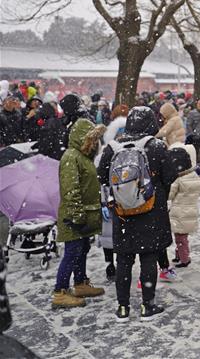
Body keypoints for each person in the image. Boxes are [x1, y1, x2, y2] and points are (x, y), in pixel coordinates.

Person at [97, 106, 179, 322]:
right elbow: (170, 176)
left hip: (123, 213)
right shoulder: (157, 146)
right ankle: (147, 306)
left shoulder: (112, 147)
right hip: (151, 211)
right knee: (148, 258)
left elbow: (102, 177)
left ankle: (123, 308)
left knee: (124, 260)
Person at [51, 119, 107, 308]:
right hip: (73, 217)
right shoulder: (71, 157)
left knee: (82, 249)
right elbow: (70, 190)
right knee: (72, 252)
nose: (94, 144)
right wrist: (77, 216)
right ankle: (60, 292)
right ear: (82, 138)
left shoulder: (82, 157)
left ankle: (80, 283)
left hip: (82, 215)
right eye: (91, 139)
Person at [168, 144, 200, 268]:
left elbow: (170, 195)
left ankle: (184, 259)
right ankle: (180, 255)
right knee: (183, 237)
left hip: (180, 213)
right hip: (191, 211)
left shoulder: (178, 180)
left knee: (180, 238)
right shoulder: (195, 177)